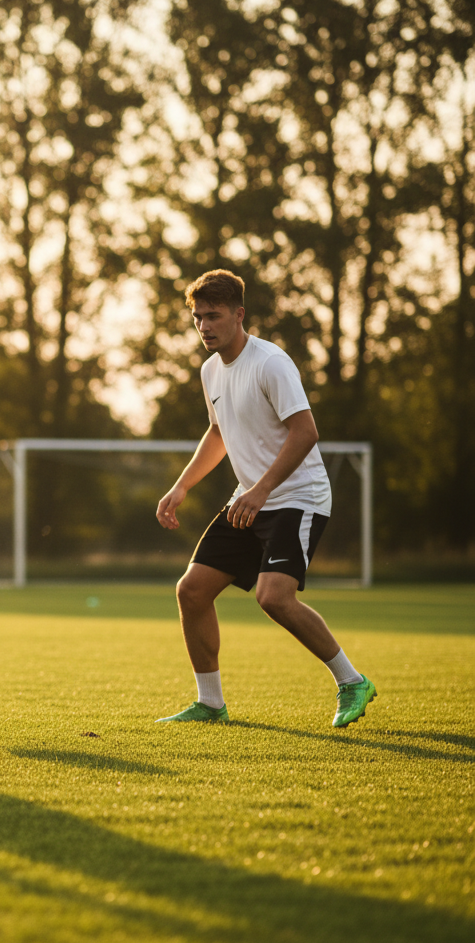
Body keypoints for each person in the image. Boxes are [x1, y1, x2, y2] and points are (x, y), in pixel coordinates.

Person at [154, 269, 376, 728]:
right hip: (251, 499)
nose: (204, 326)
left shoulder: (271, 362)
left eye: (213, 316)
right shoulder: (210, 369)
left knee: (273, 597)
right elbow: (218, 433)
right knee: (191, 591)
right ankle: (211, 704)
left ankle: (352, 681)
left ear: (239, 315)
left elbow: (305, 432)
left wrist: (261, 490)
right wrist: (182, 486)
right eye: (197, 318)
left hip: (298, 497)